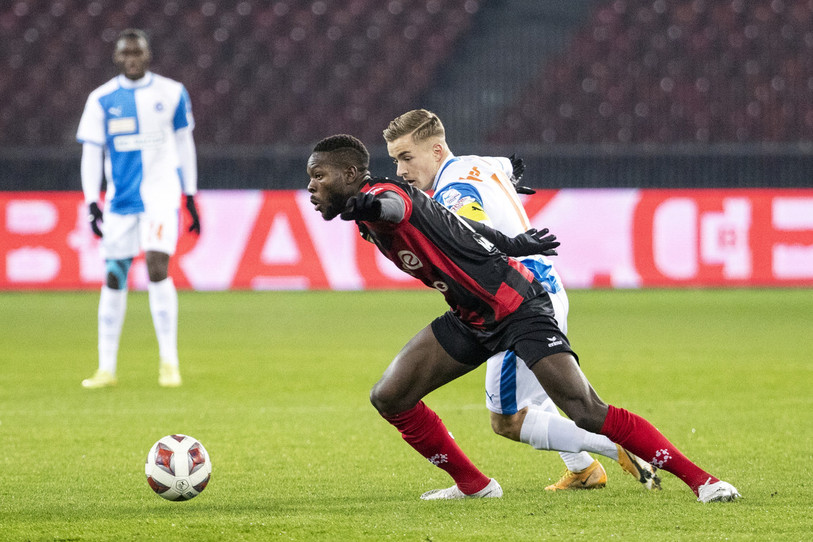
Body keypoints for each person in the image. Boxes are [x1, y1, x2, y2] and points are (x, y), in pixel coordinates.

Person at [306, 134, 740, 503]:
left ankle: (705, 483)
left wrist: (366, 207)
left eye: (319, 176)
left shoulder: (386, 197)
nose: (311, 187)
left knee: (584, 409)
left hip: (517, 307)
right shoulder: (398, 201)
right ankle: (476, 486)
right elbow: (459, 226)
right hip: (471, 317)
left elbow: (392, 208)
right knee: (390, 396)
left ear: (349, 176)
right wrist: (514, 241)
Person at [382, 109, 660, 492]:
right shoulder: (475, 164)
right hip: (541, 286)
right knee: (538, 388)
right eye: (395, 159)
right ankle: (582, 470)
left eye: (406, 157)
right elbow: (507, 166)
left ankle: (615, 446)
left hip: (514, 300)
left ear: (436, 148)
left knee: (508, 420)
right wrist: (511, 179)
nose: (400, 170)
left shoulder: (452, 191)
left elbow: (471, 225)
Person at [76, 28, 200, 388]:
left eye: (138, 53)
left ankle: (169, 363)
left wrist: (189, 195)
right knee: (114, 274)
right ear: (117, 58)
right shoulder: (101, 99)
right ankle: (106, 368)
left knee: (157, 266)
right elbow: (91, 154)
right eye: (125, 54)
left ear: (147, 56)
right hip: (120, 201)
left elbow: (184, 144)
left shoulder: (172, 92)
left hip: (161, 196)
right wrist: (90, 201)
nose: (132, 59)